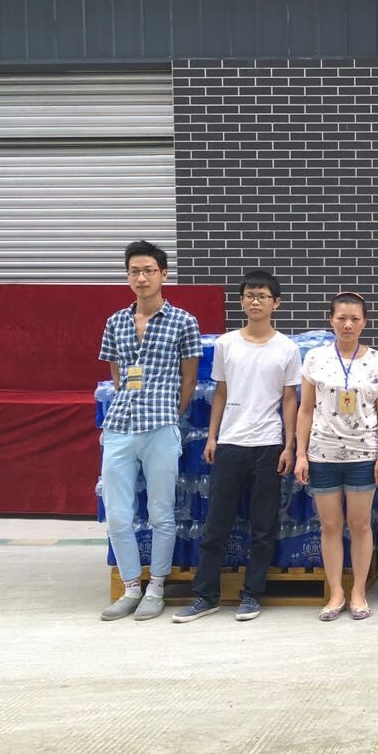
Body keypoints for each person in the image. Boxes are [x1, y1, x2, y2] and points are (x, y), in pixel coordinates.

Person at [173, 271, 301, 623]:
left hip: (269, 445)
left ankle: (252, 595)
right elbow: (221, 392)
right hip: (230, 443)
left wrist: (289, 446)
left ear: (276, 303)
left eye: (262, 296)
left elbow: (290, 400)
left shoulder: (287, 348)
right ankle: (205, 596)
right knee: (216, 524)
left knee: (263, 527)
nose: (255, 301)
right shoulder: (226, 344)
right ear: (242, 301)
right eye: (249, 295)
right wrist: (212, 436)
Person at [98, 241, 201, 621]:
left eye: (148, 271)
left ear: (163, 274)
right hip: (120, 426)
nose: (141, 278)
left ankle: (156, 586)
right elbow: (117, 376)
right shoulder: (115, 322)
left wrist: (171, 414)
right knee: (118, 514)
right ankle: (130, 587)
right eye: (134, 271)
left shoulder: (183, 321)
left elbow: (189, 379)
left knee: (161, 513)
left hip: (160, 426)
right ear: (127, 276)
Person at [294, 292, 378, 621]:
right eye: (341, 318)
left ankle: (359, 592)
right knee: (330, 525)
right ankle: (336, 591)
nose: (348, 324)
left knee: (360, 524)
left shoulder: (377, 360)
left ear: (364, 322)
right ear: (331, 321)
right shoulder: (315, 359)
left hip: (363, 453)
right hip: (322, 453)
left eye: (354, 319)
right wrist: (301, 455)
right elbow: (305, 409)